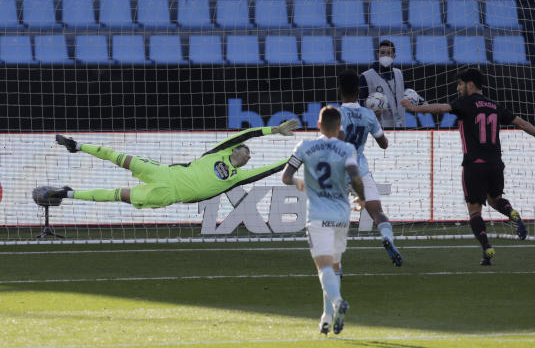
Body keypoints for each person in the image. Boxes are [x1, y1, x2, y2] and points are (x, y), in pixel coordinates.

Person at [401, 68, 535, 265]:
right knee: (495, 200)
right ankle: (512, 214)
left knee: (474, 211)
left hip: (474, 164)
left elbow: (441, 108)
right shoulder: (494, 106)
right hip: (496, 164)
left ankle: (486, 248)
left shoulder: (465, 103)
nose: (458, 88)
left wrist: (414, 109)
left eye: (460, 84)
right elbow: (521, 123)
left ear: (470, 84)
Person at [42, 119, 299, 209]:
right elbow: (249, 134)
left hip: (167, 194)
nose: (248, 155)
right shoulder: (218, 151)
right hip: (162, 173)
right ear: (236, 149)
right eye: (246, 151)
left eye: (250, 156)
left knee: (116, 195)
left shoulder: (236, 177)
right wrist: (275, 130)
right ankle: (77, 146)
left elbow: (271, 169)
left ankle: (67, 193)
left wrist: (299, 156)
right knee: (118, 156)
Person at [281, 106, 364, 335]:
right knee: (334, 266)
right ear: (339, 128)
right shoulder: (347, 148)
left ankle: (337, 302)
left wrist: (297, 181)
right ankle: (327, 317)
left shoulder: (305, 147)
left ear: (318, 125)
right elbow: (355, 177)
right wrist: (363, 198)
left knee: (324, 266)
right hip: (341, 216)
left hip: (318, 216)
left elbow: (286, 177)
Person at [338, 69, 402, 266]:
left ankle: (333, 260)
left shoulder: (334, 114)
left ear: (339, 91)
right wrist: (375, 119)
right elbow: (384, 144)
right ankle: (387, 238)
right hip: (360, 171)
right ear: (359, 92)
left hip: (337, 172)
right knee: (377, 212)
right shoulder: (368, 115)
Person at [359, 39, 405, 128]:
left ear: (394, 56)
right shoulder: (366, 76)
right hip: (378, 129)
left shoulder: (399, 73)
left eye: (389, 53)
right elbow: (359, 104)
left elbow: (407, 93)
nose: (385, 56)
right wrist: (370, 110)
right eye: (382, 53)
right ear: (377, 55)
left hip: (401, 127)